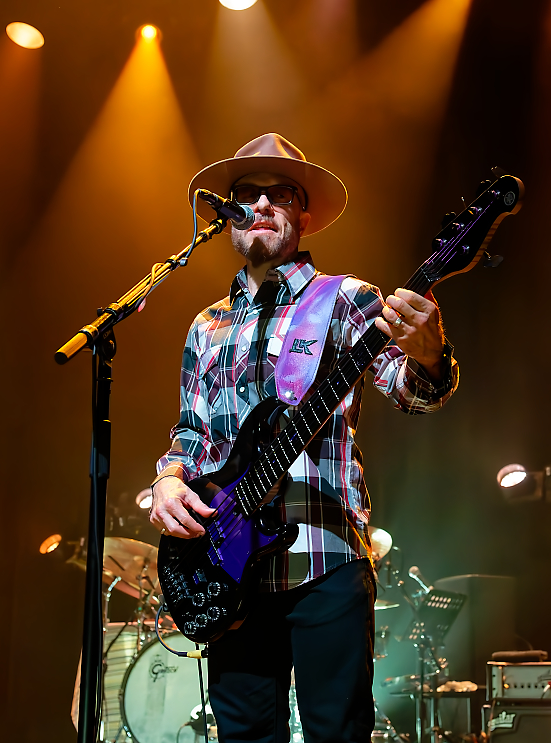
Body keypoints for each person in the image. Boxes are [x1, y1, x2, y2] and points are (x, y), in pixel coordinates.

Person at [148, 133, 458, 743]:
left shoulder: (344, 298)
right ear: (227, 213)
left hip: (325, 555)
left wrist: (430, 352)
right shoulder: (205, 326)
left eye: (279, 194)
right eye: (246, 195)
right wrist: (167, 478)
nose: (261, 205)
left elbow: (413, 392)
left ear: (304, 214)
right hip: (230, 571)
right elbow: (191, 430)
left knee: (336, 731)